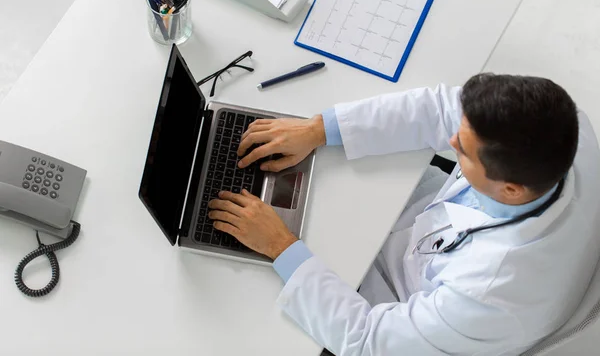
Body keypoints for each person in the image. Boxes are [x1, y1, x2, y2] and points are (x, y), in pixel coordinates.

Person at [207, 73, 600, 355]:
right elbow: (441, 108)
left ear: (511, 189)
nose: (449, 142)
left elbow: (368, 340)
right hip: (415, 228)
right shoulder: (566, 126)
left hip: (400, 308)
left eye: (462, 149)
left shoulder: (489, 295)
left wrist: (281, 247)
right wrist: (319, 128)